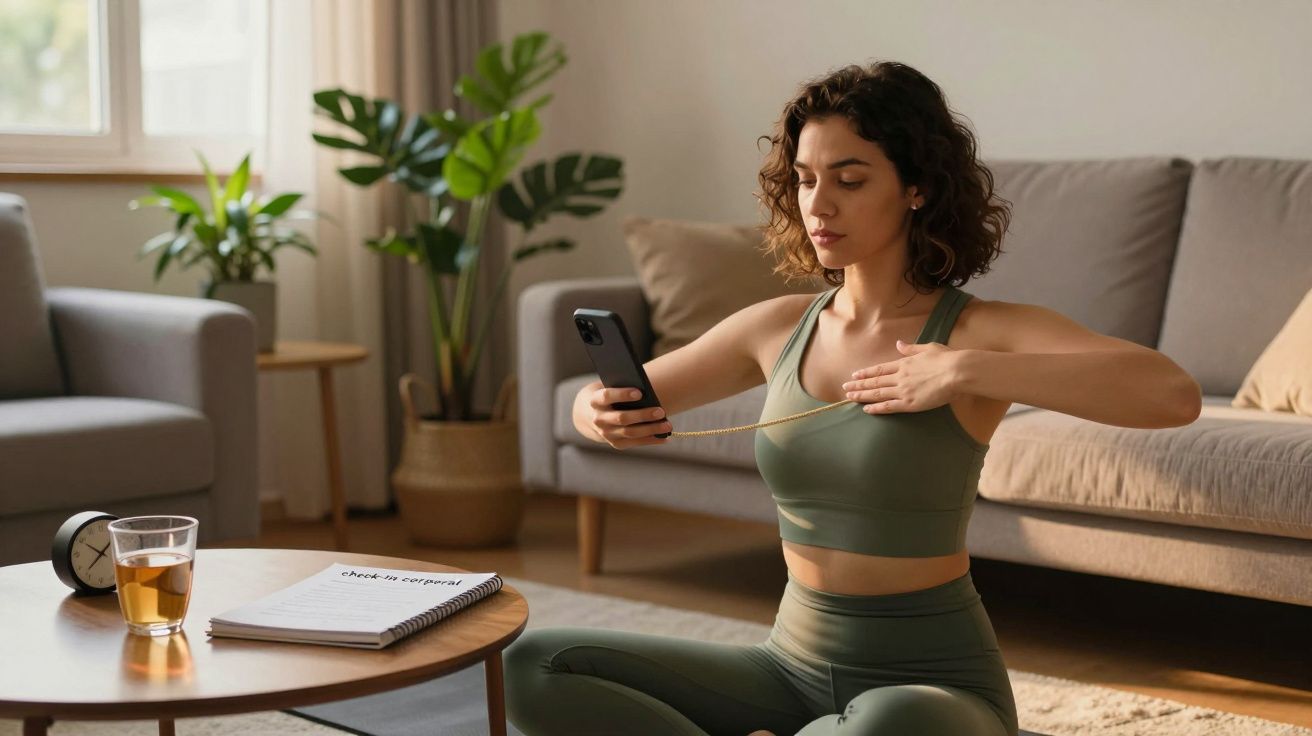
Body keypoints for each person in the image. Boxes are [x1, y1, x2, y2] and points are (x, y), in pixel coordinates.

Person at [502, 60, 1202, 736]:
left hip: (932, 692)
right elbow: (616, 396)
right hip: (787, 669)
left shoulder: (977, 331)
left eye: (850, 178)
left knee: (891, 723)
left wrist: (965, 372)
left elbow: (1171, 394)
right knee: (531, 666)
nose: (818, 203)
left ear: (917, 188)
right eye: (805, 180)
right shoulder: (779, 327)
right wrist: (593, 412)